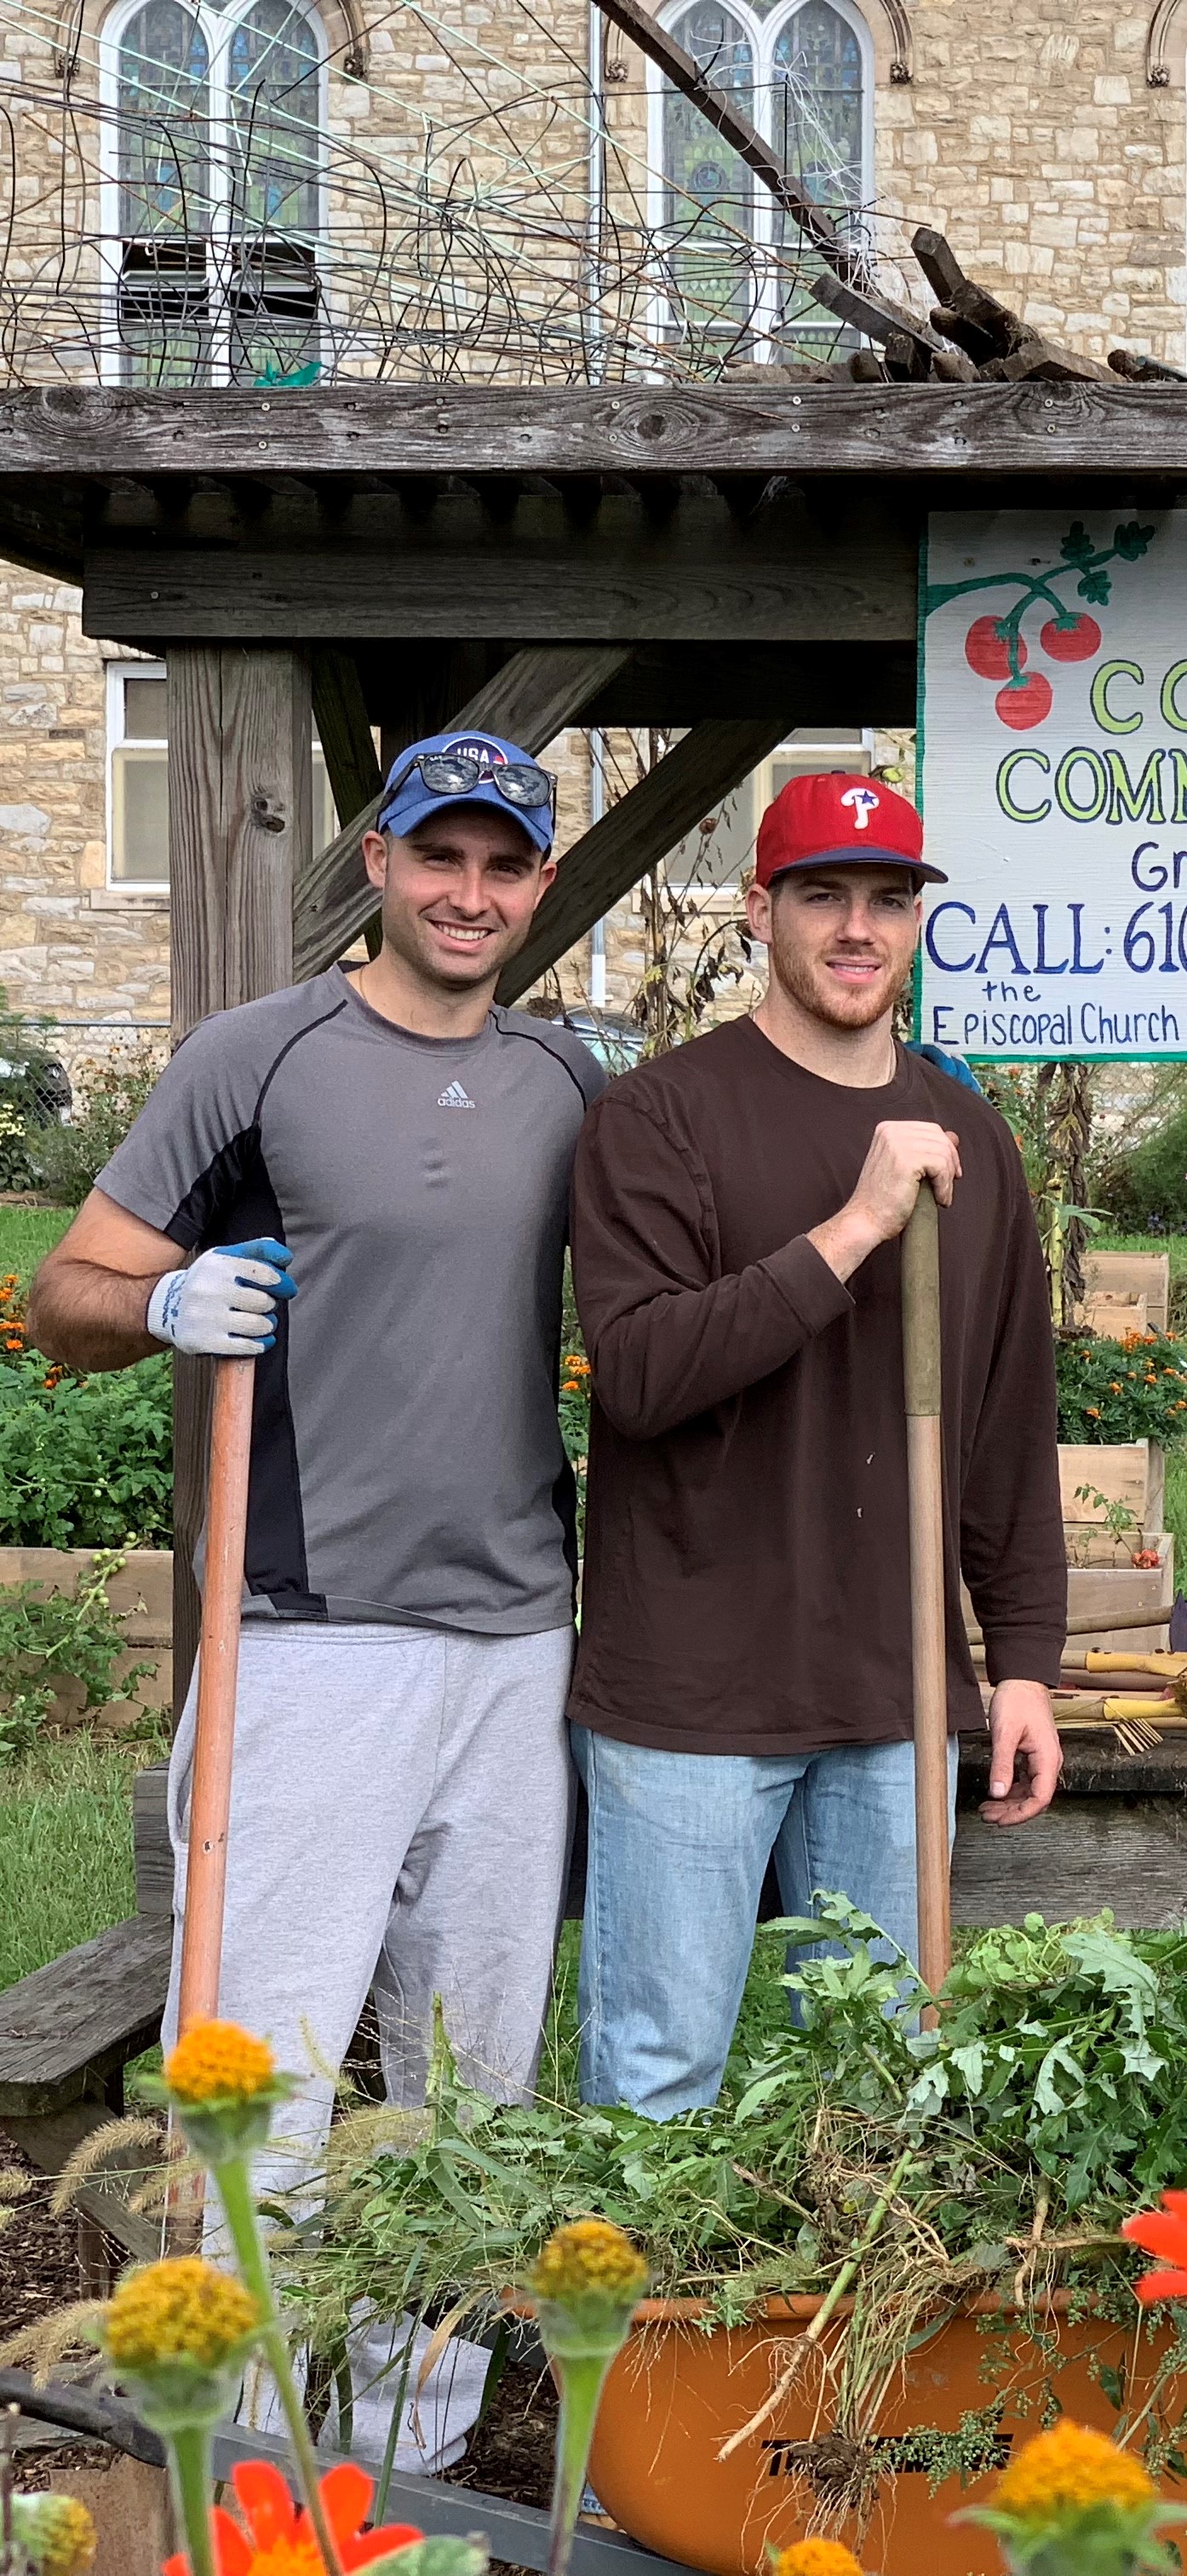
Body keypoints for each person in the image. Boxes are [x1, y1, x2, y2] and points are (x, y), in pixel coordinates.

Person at [27, 727, 603, 2461]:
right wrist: (169, 1303)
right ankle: (248, 2458)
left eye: (506, 866)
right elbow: (65, 1297)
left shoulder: (567, 1082)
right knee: (262, 2087)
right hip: (301, 1638)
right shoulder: (255, 1060)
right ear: (377, 858)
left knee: (469, 2093)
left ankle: (407, 2472)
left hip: (516, 1643)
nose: (469, 892)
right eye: (444, 856)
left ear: (540, 887)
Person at [569, 772, 1065, 2117]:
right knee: (660, 2077)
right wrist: (851, 1230)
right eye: (823, 896)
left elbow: (1008, 1421)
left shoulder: (975, 1142)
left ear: (916, 923)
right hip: (690, 1696)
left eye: (889, 900)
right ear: (758, 912)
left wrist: (1019, 1664)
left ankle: (844, 2338)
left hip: (894, 1695)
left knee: (880, 2090)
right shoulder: (657, 1117)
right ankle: (638, 2337)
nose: (859, 928)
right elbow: (639, 1376)